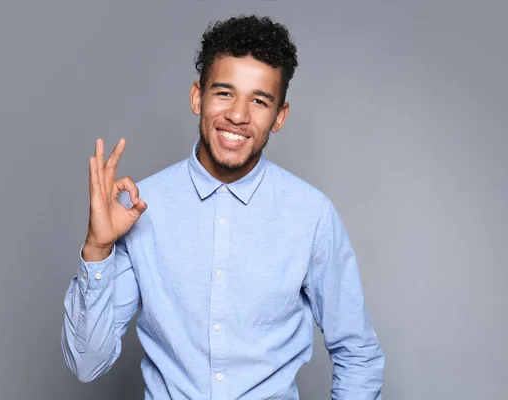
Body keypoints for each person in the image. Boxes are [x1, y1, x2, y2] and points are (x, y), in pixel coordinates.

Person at [61, 14, 385, 400]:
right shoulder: (139, 209)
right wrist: (98, 250)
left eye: (259, 100)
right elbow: (86, 364)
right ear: (198, 97)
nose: (238, 115)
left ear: (279, 117)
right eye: (225, 93)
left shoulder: (311, 215)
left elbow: (358, 354)